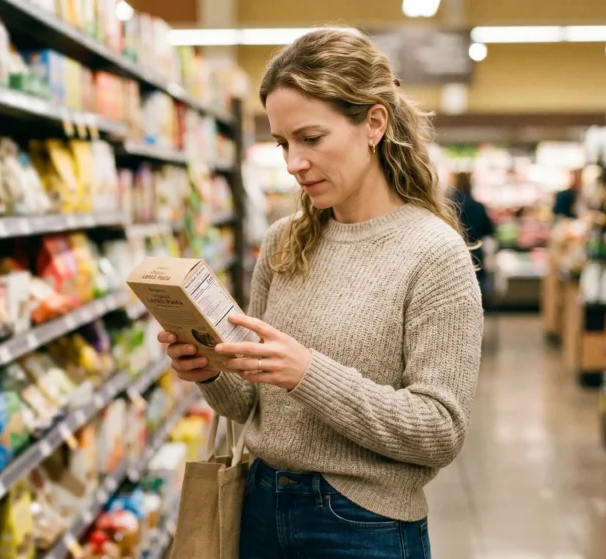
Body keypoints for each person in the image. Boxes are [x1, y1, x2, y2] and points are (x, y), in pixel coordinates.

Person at [158, 28, 483, 558]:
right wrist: (211, 367)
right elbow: (251, 405)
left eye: (311, 138)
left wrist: (310, 373)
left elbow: (440, 431)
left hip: (364, 525)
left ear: (373, 123)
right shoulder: (285, 242)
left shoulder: (433, 253)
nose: (293, 163)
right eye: (283, 143)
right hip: (260, 506)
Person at [451, 172, 495, 296]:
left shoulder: (448, 206)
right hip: (476, 251)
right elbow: (489, 231)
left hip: (453, 252)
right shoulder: (478, 206)